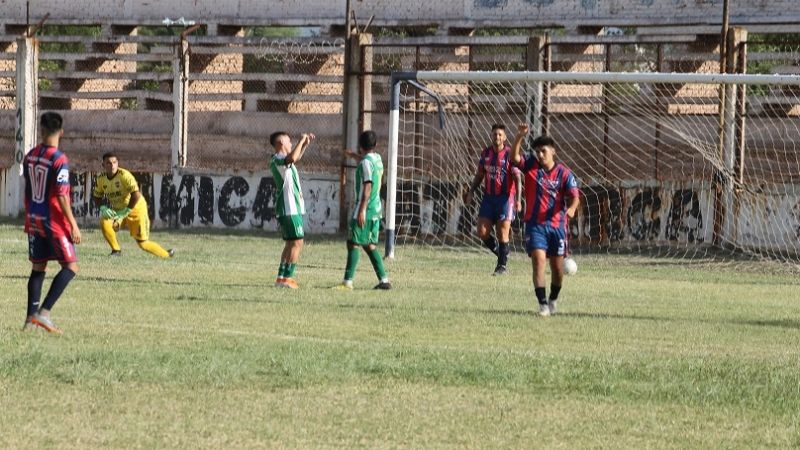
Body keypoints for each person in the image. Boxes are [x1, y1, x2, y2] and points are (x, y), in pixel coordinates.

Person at [511, 124, 580, 317]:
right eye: (537, 152)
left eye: (543, 151)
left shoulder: (564, 173)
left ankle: (553, 299)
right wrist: (519, 137)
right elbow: (514, 157)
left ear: (553, 151)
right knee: (538, 261)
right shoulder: (531, 166)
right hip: (535, 226)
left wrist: (572, 208)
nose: (540, 155)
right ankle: (542, 305)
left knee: (557, 269)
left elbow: (575, 196)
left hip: (557, 227)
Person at [23, 112, 82, 333]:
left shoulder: (30, 156)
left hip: (34, 218)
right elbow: (61, 196)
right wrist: (73, 224)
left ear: (41, 130)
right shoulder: (59, 159)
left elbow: (28, 187)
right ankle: (44, 313)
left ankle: (30, 320)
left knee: (38, 267)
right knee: (71, 266)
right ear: (61, 132)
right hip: (53, 221)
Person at [463, 124, 523, 276]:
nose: (497, 137)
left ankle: (501, 266)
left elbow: (517, 178)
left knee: (502, 233)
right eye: (495, 134)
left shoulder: (510, 154)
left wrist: (518, 199)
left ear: (505, 137)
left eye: (500, 134)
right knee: (482, 232)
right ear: (491, 136)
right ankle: (501, 252)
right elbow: (479, 175)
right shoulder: (485, 153)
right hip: (488, 198)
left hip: (505, 198)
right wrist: (471, 191)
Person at [335, 130, 392, 290]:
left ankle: (347, 282)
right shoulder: (377, 159)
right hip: (376, 209)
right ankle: (384, 280)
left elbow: (367, 185)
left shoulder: (365, 163)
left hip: (366, 208)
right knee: (368, 244)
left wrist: (362, 210)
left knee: (353, 243)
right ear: (376, 145)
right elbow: (366, 161)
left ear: (360, 145)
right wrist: (353, 155)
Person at [92, 152, 173, 258]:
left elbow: (136, 194)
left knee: (143, 243)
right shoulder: (101, 179)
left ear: (117, 163)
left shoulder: (124, 175)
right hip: (119, 210)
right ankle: (116, 251)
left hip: (135, 209)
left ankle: (167, 255)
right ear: (103, 165)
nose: (112, 165)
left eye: (114, 162)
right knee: (105, 221)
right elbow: (97, 196)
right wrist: (102, 207)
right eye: (108, 163)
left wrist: (126, 211)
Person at [270, 131, 315, 288]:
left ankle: (281, 278)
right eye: (289, 141)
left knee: (290, 243)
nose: (291, 144)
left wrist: (304, 145)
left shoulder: (282, 160)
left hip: (289, 208)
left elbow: (295, 158)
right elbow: (293, 158)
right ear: (281, 142)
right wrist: (301, 140)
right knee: (297, 243)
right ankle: (288, 278)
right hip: (289, 208)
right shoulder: (278, 160)